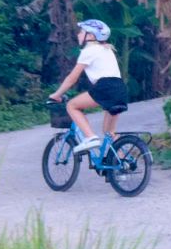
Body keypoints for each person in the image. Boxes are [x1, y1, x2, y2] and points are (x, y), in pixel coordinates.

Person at [48, 19, 129, 155]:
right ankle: (123, 164)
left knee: (72, 106)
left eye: (81, 32)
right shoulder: (107, 49)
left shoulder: (89, 51)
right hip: (120, 89)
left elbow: (72, 78)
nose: (79, 34)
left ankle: (90, 137)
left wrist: (56, 94)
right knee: (109, 133)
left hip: (105, 87)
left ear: (90, 36)